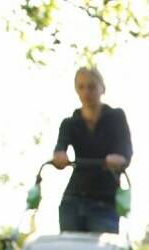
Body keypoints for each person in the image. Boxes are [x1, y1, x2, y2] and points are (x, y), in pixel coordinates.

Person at [51, 66, 132, 232]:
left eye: (91, 86)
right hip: (72, 200)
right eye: (81, 87)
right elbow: (60, 149)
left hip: (105, 200)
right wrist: (59, 157)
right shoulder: (69, 123)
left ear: (102, 88)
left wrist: (119, 159)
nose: (87, 91)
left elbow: (126, 153)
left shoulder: (116, 117)